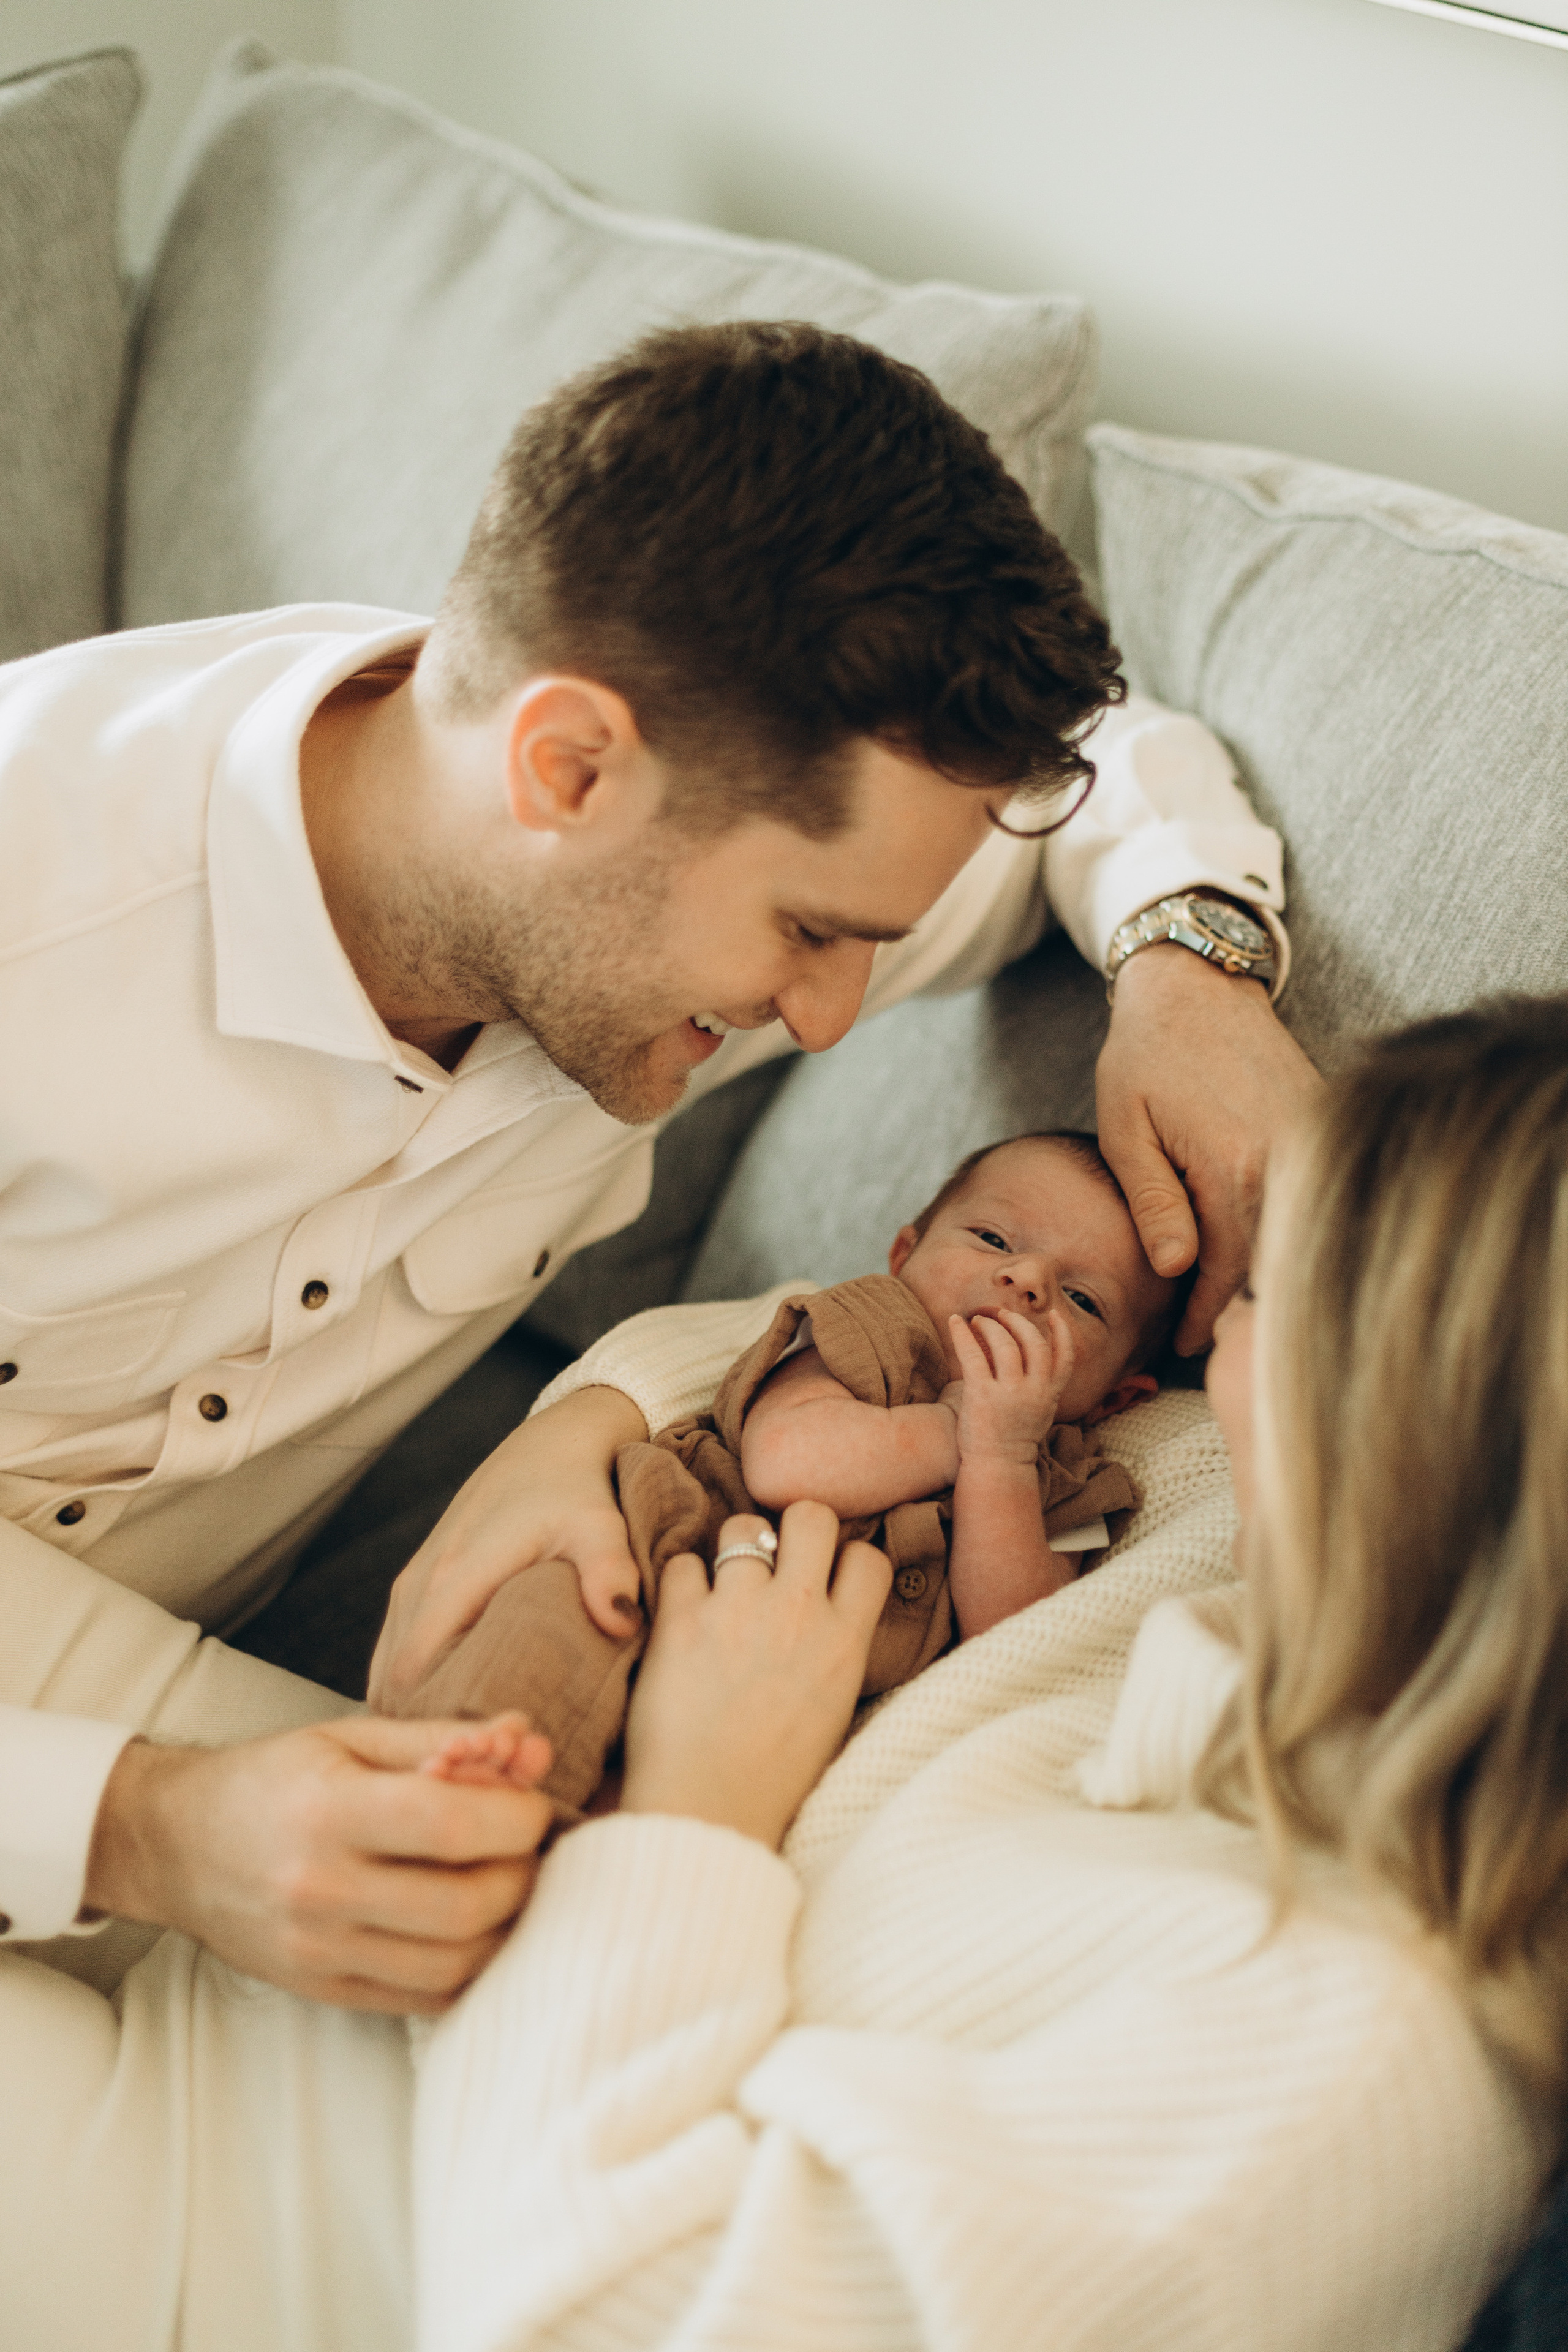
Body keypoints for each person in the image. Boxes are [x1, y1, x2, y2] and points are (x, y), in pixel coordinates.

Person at [1, 317, 1317, 2008]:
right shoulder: (42, 904)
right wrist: (145, 1832)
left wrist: (1188, 970)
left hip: (192, 1719)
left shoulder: (679, 852)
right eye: (810, 934)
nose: (834, 1018)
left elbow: (1128, 758)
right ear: (566, 768)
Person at [403, 995, 1568, 2351]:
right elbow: (827, 1349)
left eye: (1251, 1287)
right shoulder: (1237, 1524)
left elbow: (577, 2323)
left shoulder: (1334, 2071)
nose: (1206, 1340)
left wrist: (695, 1801)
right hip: (434, 1981)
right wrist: (586, 1423)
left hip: (430, 2188)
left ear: (1380, 1408)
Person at [398, 1131, 1180, 1812]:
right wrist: (955, 1430)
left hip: (792, 1705)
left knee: (661, 1795)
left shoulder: (1074, 1481)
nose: (1027, 1281)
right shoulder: (873, 1325)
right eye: (993, 1239)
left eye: (1081, 1298)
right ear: (903, 1255)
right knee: (544, 1645)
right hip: (659, 1554)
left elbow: (1012, 1630)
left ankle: (555, 1860)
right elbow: (786, 1461)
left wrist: (1004, 1458)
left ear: (1118, 1395)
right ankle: (447, 1782)